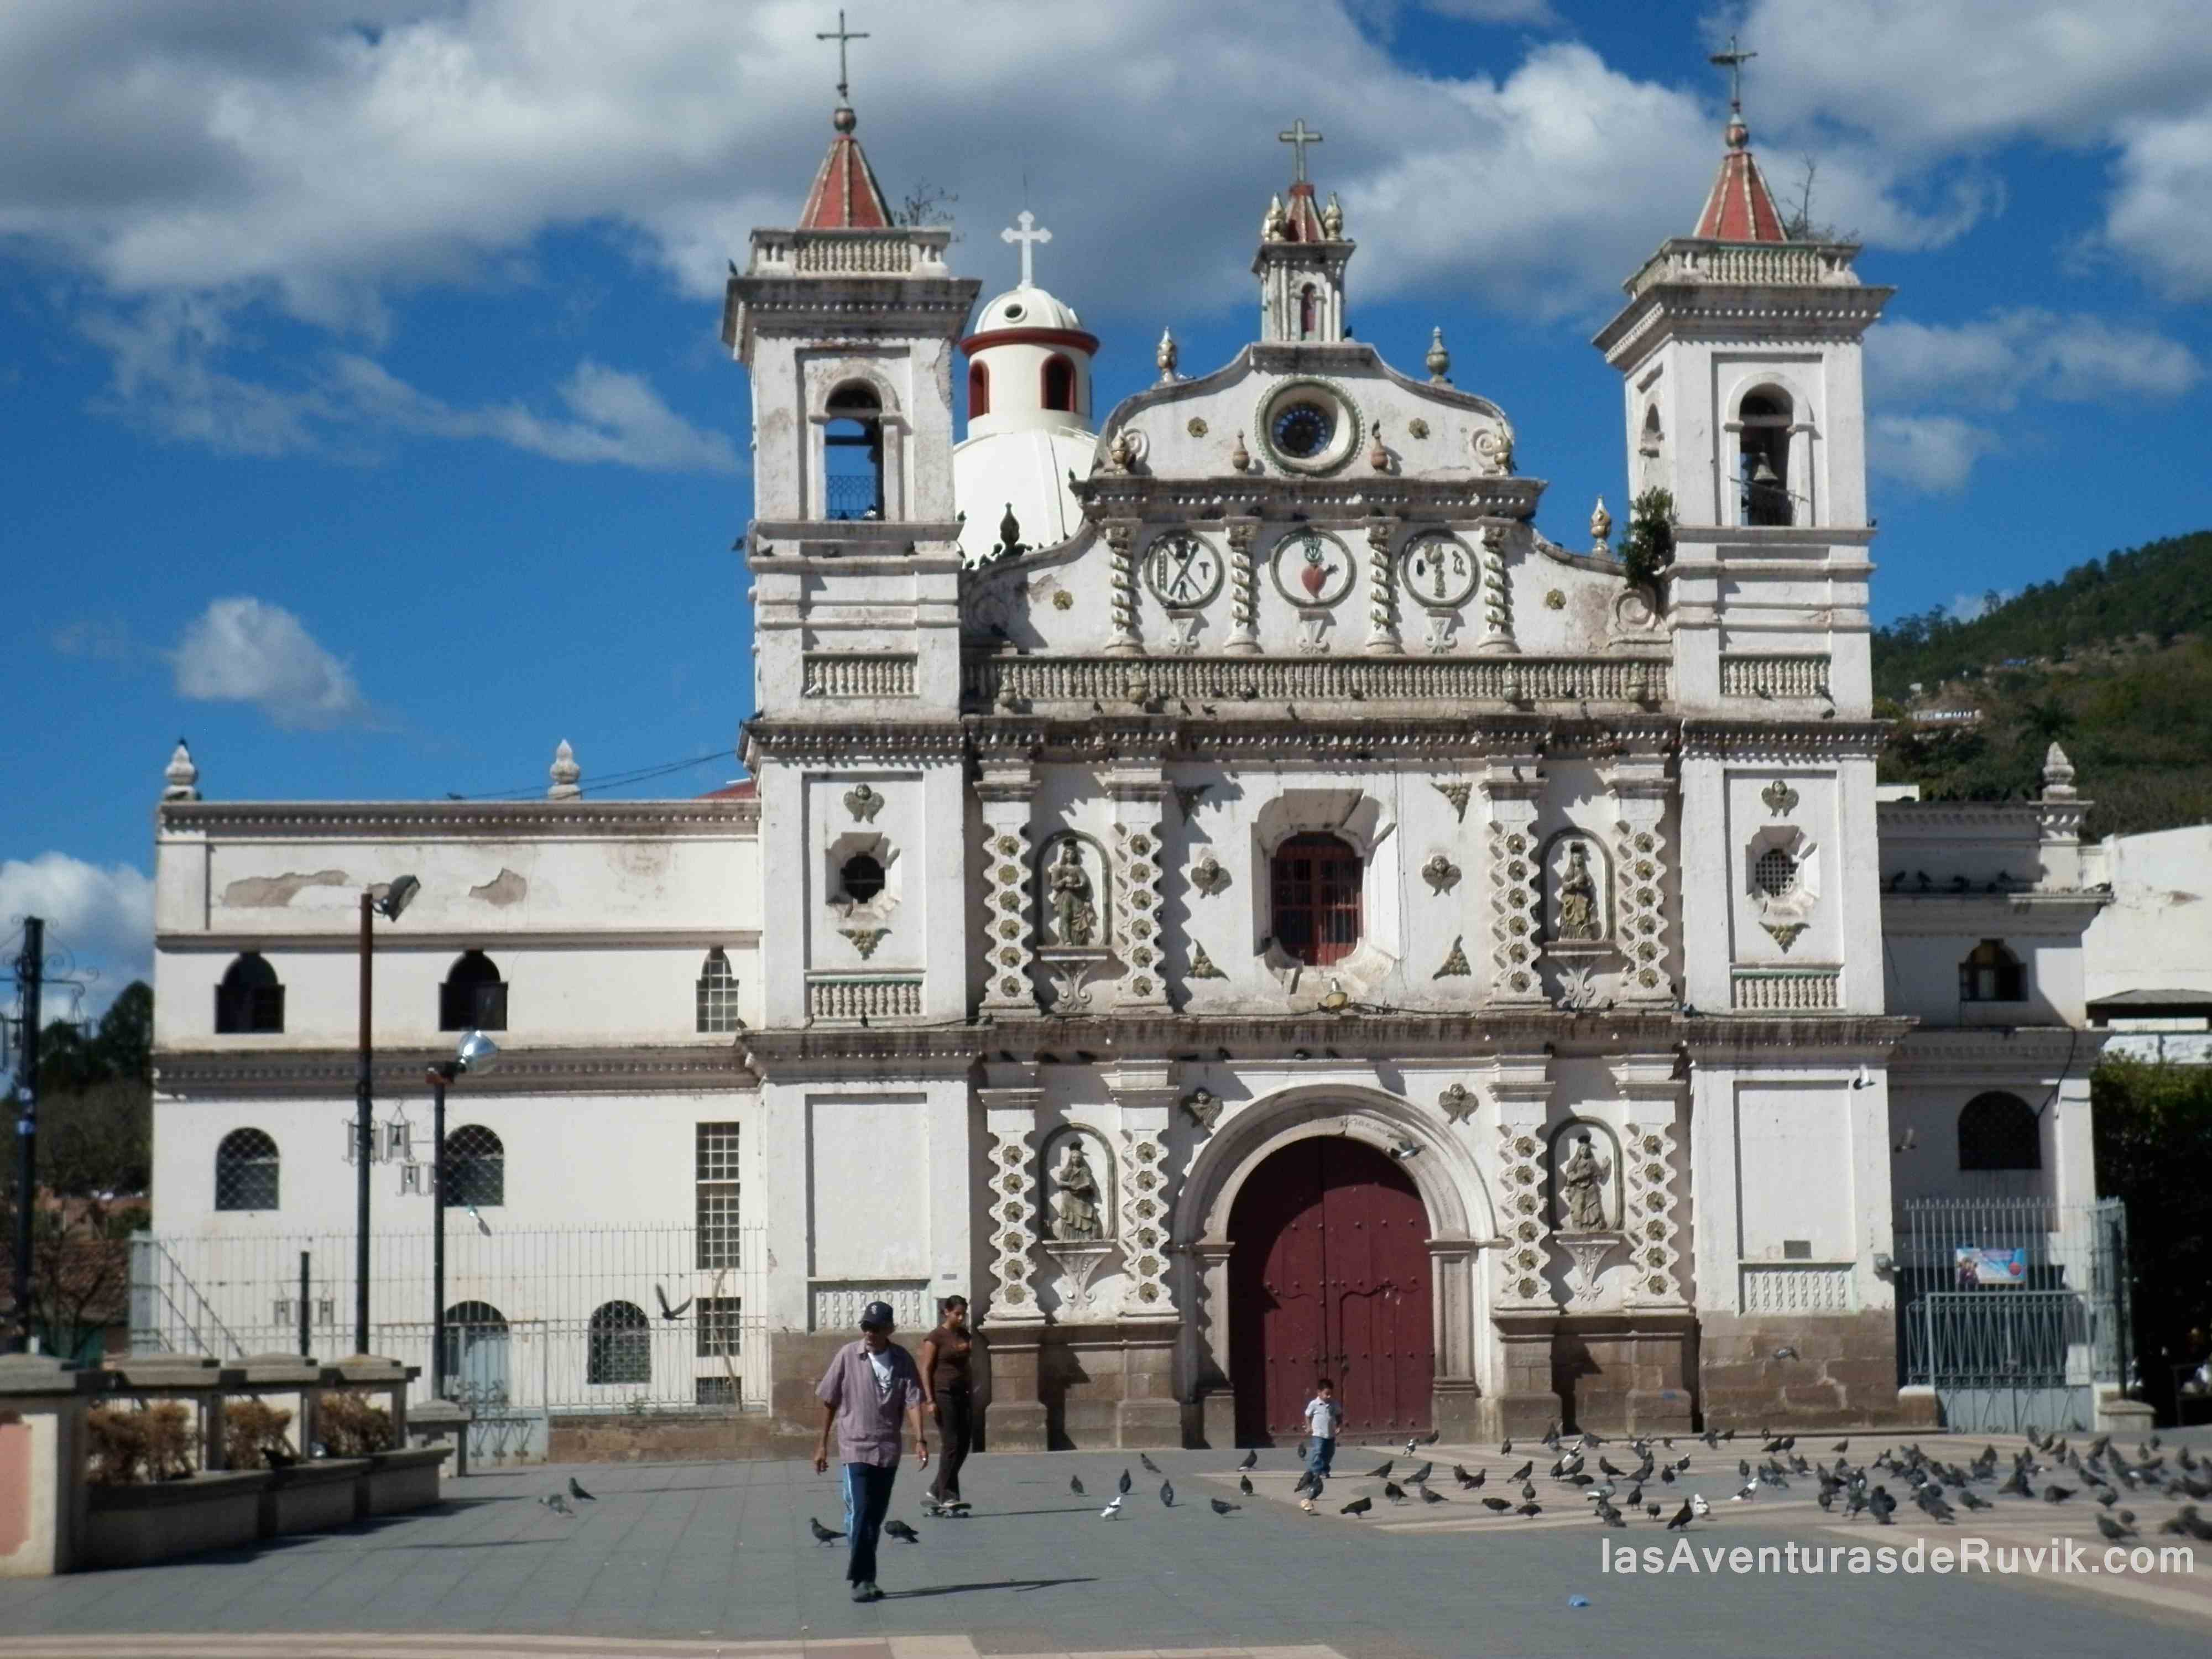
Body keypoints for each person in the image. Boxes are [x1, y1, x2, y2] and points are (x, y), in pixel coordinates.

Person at [814, 1300, 928, 1603]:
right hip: (855, 1447)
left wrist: (920, 1439)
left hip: (888, 1449)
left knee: (875, 1518)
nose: (870, 1333)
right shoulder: (848, 1356)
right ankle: (861, 1579)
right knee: (863, 1511)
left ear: (890, 1329)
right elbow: (829, 1400)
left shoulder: (902, 1359)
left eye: (876, 1328)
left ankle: (869, 1578)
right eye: (866, 1327)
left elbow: (914, 1400)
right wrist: (822, 1444)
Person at [919, 1295, 978, 1512]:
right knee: (951, 1443)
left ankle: (936, 1489)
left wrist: (972, 1390)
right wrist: (930, 1400)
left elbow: (968, 1366)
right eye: (957, 1314)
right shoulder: (935, 1337)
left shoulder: (965, 1335)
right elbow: (925, 1369)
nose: (961, 1318)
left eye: (964, 1314)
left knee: (964, 1444)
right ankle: (948, 1495)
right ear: (947, 1312)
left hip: (963, 1393)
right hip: (943, 1394)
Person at [1300, 1376, 1342, 1512]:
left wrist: (1339, 1426)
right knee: (1318, 1451)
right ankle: (1315, 1473)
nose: (1329, 1396)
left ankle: (1325, 1469)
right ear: (1319, 1393)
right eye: (1326, 1394)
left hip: (1330, 1434)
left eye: (1331, 1394)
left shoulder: (1334, 1404)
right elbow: (1307, 1415)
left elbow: (1339, 1415)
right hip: (1318, 1434)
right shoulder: (1314, 1404)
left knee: (1329, 1453)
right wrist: (1308, 1426)